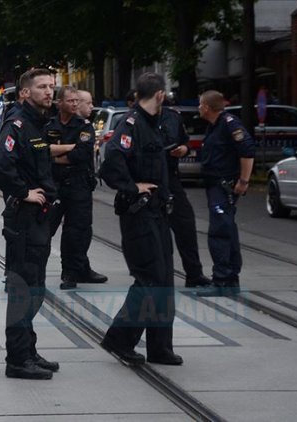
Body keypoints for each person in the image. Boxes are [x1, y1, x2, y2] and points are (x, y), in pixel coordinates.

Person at [98, 72, 182, 366]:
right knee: (150, 278)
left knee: (164, 281)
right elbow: (111, 164)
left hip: (158, 212)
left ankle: (160, 347)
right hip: (139, 213)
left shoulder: (155, 124)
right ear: (159, 95)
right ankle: (119, 339)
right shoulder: (131, 124)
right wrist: (133, 187)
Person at [0, 68, 59, 380]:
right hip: (23, 220)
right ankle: (17, 359)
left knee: (36, 290)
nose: (49, 92)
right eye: (42, 87)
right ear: (25, 92)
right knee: (23, 290)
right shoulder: (17, 123)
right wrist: (23, 192)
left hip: (39, 222)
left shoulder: (40, 123)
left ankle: (28, 350)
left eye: (52, 86)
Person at [45, 87, 108, 289]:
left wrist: (56, 153)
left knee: (77, 232)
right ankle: (31, 273)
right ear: (59, 102)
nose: (74, 104)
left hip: (79, 185)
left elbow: (81, 154)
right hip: (53, 185)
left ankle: (71, 273)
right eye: (70, 101)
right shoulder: (48, 124)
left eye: (76, 101)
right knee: (44, 229)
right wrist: (67, 149)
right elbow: (41, 152)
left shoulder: (84, 127)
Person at [195, 90, 255, 297]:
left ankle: (221, 280)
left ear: (206, 107)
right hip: (216, 186)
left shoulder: (229, 123)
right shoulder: (215, 125)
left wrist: (244, 181)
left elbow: (247, 151)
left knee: (220, 232)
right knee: (228, 230)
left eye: (200, 104)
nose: (198, 107)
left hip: (224, 187)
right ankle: (230, 280)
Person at [160, 106, 212, 288]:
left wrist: (183, 149)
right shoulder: (135, 119)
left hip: (172, 178)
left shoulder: (173, 117)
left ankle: (194, 274)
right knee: (155, 231)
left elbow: (185, 142)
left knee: (185, 224)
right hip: (148, 179)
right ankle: (157, 274)